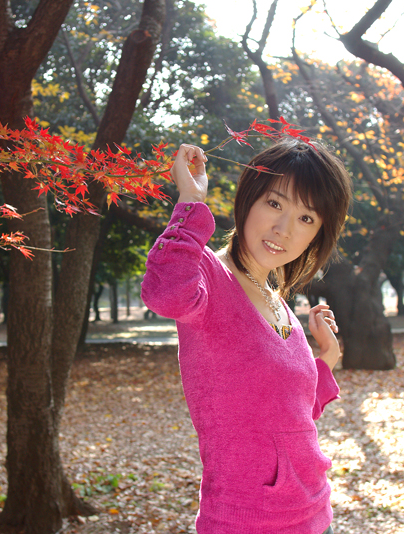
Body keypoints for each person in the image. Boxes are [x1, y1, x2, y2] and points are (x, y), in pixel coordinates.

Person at [141, 137, 353, 534]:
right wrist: (191, 202)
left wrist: (327, 358)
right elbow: (165, 294)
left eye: (306, 218)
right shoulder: (208, 274)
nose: (283, 229)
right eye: (274, 203)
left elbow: (289, 414)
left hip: (315, 513)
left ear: (317, 234)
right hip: (245, 520)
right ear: (249, 199)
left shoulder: (280, 303)